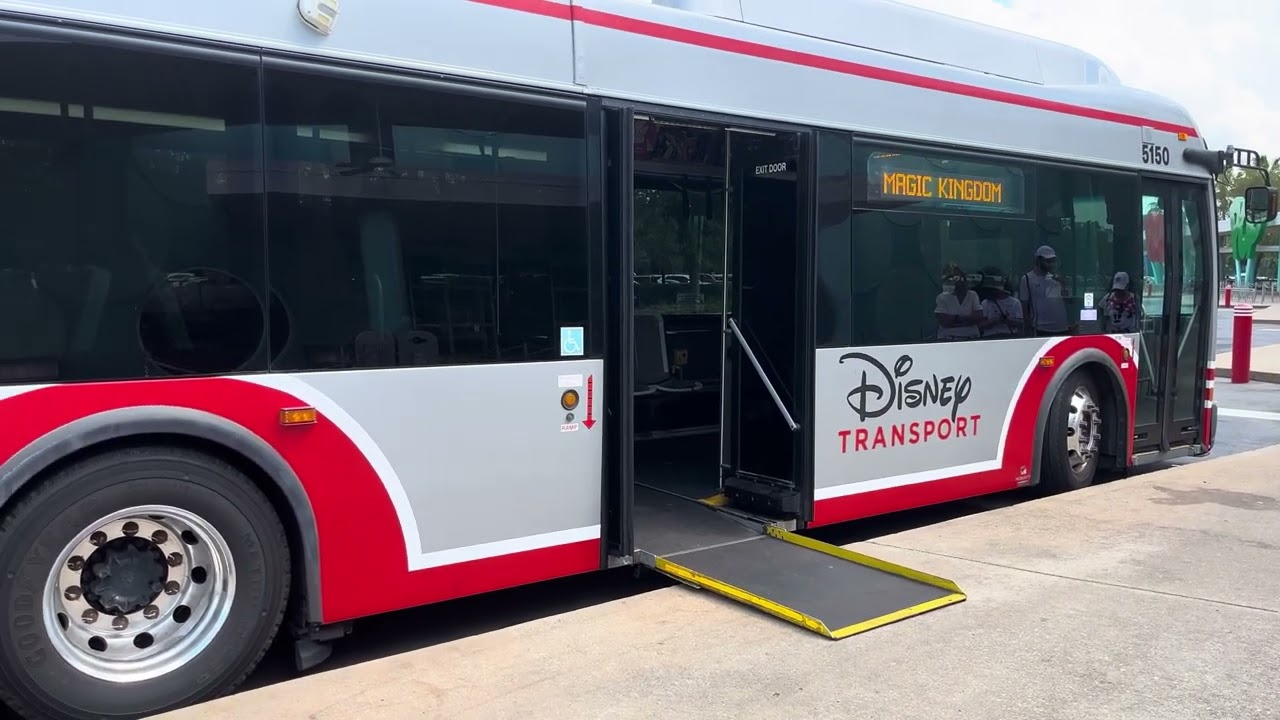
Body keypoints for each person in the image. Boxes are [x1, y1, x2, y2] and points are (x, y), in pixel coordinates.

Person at [1018, 245, 1070, 336]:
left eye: (1052, 261)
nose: (1051, 264)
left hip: (1061, 327)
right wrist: (1027, 326)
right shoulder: (1027, 278)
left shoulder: (1056, 278)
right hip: (1041, 327)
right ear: (1038, 260)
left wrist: (1063, 284)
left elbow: (1067, 300)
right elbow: (1024, 305)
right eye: (1048, 261)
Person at [935, 264, 983, 341]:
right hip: (948, 339)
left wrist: (955, 319)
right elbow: (944, 321)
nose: (961, 283)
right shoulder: (942, 297)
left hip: (972, 339)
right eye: (958, 280)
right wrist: (967, 319)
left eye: (963, 279)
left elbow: (978, 317)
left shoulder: (973, 295)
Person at [978, 269, 1023, 338]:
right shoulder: (985, 303)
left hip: (1009, 336)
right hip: (990, 337)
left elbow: (1021, 323)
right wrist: (994, 321)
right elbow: (980, 325)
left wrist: (1008, 320)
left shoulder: (1015, 303)